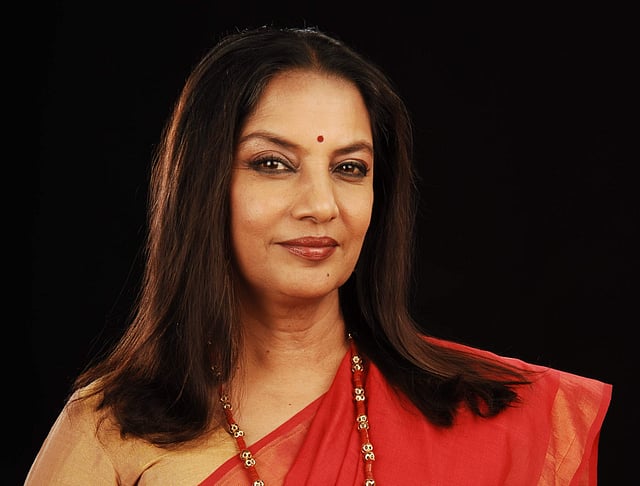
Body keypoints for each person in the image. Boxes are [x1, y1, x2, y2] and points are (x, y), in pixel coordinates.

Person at [26, 25, 612, 486]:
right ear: (202, 186)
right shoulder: (114, 426)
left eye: (349, 168)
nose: (321, 205)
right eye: (273, 164)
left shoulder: (498, 416)